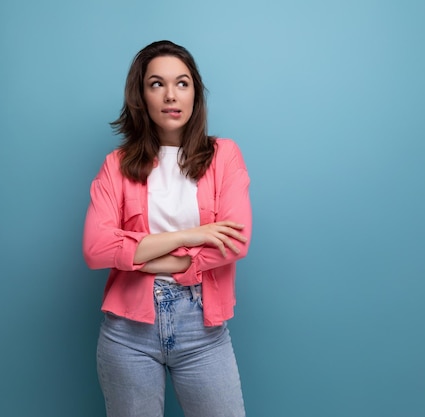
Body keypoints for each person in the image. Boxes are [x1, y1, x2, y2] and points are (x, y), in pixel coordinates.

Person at [82, 40, 252, 417]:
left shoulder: (224, 156)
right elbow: (96, 250)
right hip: (128, 333)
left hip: (202, 331)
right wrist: (190, 237)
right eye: (157, 83)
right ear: (141, 95)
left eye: (183, 83)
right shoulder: (117, 164)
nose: (171, 95)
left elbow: (234, 243)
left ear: (195, 93)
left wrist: (143, 257)